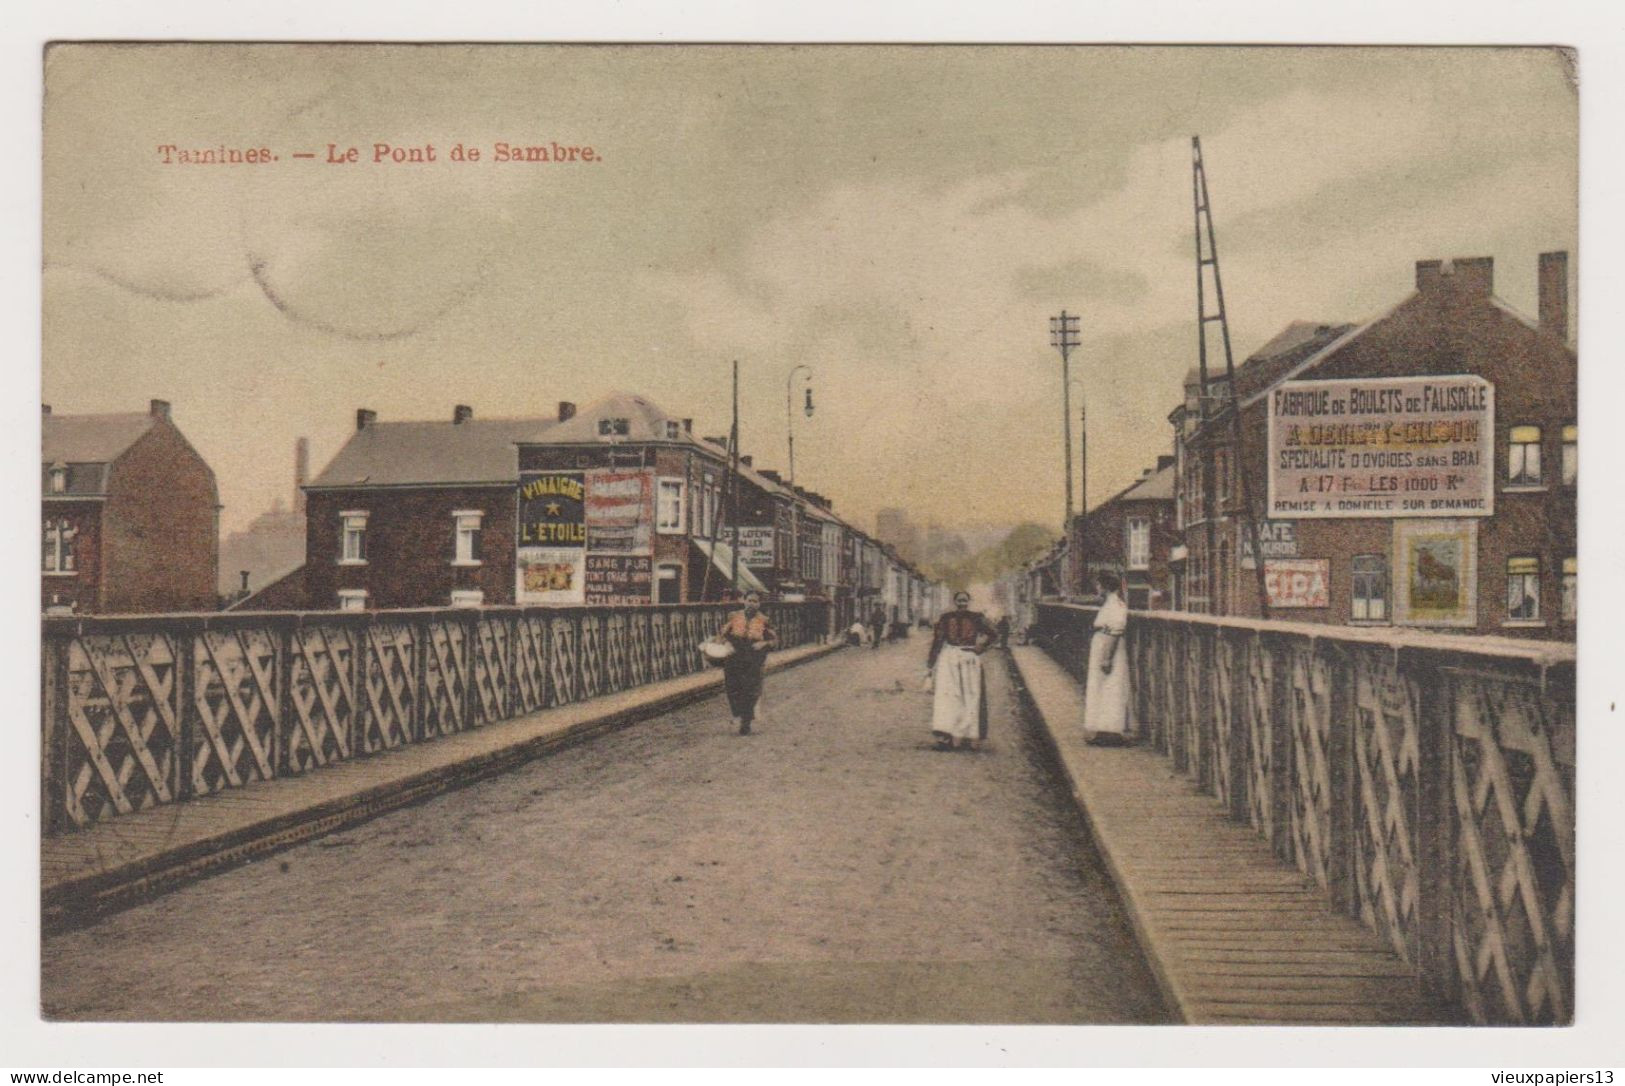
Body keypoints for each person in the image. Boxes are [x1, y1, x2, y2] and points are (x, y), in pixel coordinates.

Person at [925, 590, 998, 752]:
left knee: (971, 695)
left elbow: (993, 633)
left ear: (968, 601)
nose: (962, 603)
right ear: (955, 601)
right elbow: (938, 641)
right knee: (949, 696)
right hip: (949, 659)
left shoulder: (977, 618)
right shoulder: (946, 618)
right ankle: (948, 735)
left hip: (969, 658)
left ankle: (969, 735)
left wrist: (981, 647)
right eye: (959, 600)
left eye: (965, 600)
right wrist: (931, 664)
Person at [713, 591, 777, 735]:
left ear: (759, 604)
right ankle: (739, 713)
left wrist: (763, 643)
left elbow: (774, 641)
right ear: (744, 600)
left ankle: (746, 720)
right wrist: (727, 643)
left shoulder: (764, 620)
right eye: (749, 600)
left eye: (755, 601)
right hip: (735, 655)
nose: (751, 604)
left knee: (751, 689)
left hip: (754, 656)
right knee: (732, 687)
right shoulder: (734, 616)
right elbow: (721, 635)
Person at [1083, 571, 1133, 745]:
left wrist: (1107, 658)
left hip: (1109, 649)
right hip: (1102, 646)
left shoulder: (1116, 605)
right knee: (1101, 687)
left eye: (1098, 585)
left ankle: (1111, 731)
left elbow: (1116, 631)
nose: (1097, 588)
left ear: (1105, 587)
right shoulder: (1109, 603)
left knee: (1111, 687)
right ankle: (1103, 730)